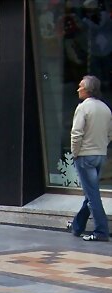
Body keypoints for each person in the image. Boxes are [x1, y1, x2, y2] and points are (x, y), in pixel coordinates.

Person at [68, 75, 112, 242]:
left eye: (80, 86)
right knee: (90, 193)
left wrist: (75, 153)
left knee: (92, 195)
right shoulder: (106, 108)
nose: (78, 89)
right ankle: (77, 226)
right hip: (100, 155)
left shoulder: (83, 108)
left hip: (85, 156)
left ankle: (101, 231)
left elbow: (76, 133)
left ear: (88, 89)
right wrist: (101, 146)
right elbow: (110, 133)